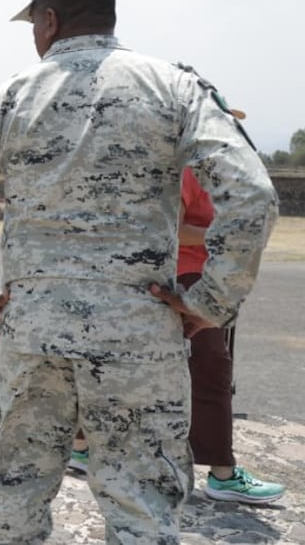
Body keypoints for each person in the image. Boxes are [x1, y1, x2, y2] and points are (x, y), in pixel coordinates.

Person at [0, 0, 276, 544]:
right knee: (140, 500)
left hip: (33, 332)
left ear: (50, 20)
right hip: (140, 334)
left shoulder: (9, 98)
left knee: (18, 489)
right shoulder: (175, 87)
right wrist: (210, 302)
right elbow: (252, 194)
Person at [70, 166, 285, 504]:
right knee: (210, 368)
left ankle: (81, 446)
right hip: (184, 276)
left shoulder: (215, 167)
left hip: (193, 275)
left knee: (129, 362)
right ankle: (223, 474)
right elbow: (169, 228)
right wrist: (224, 233)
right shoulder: (188, 167)